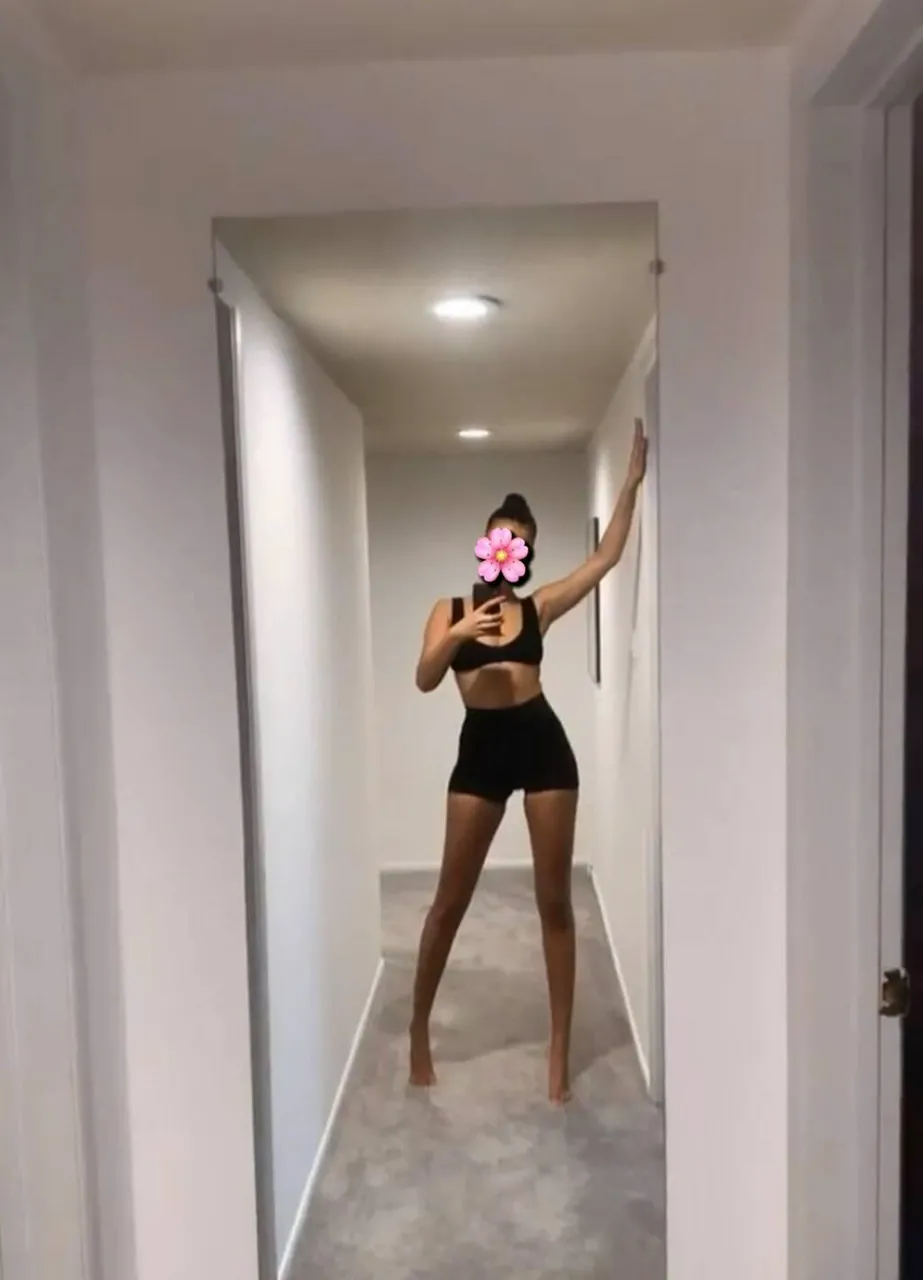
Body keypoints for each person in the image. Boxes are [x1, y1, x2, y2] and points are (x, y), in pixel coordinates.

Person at [409, 419, 648, 1104]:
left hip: (543, 747)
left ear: (526, 557)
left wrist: (630, 484)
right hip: (480, 753)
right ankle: (419, 1030)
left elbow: (603, 560)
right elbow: (425, 678)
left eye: (521, 543)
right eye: (500, 537)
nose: (507, 548)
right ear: (484, 544)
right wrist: (459, 631)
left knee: (553, 901)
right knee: (448, 902)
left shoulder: (538, 609)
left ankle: (558, 1050)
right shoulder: (448, 609)